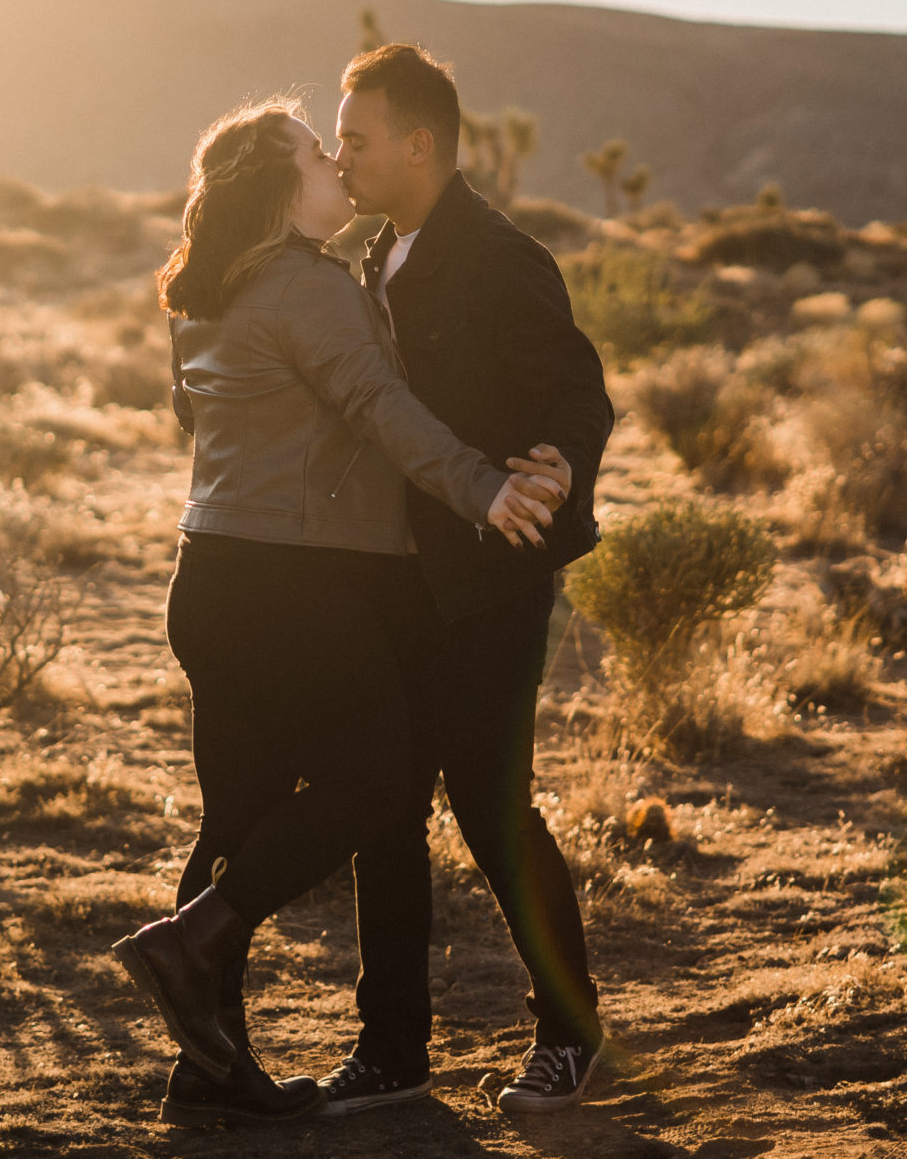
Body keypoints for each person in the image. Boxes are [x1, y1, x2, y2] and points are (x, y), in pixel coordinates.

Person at [111, 96, 569, 1128]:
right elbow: (375, 404)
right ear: (281, 189)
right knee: (375, 780)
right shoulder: (307, 286)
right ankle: (193, 941)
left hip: (208, 575)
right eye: (315, 152)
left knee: (237, 815)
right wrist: (479, 487)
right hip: (295, 583)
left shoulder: (208, 292)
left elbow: (198, 411)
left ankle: (208, 1068)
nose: (333, 161)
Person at [320, 43, 618, 1115]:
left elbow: (580, 392)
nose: (339, 155)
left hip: (488, 581)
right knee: (384, 809)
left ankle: (569, 1032)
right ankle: (393, 1049)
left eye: (355, 139)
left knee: (489, 809)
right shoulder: (368, 257)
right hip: (392, 580)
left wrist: (565, 461)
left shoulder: (500, 257)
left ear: (418, 145)